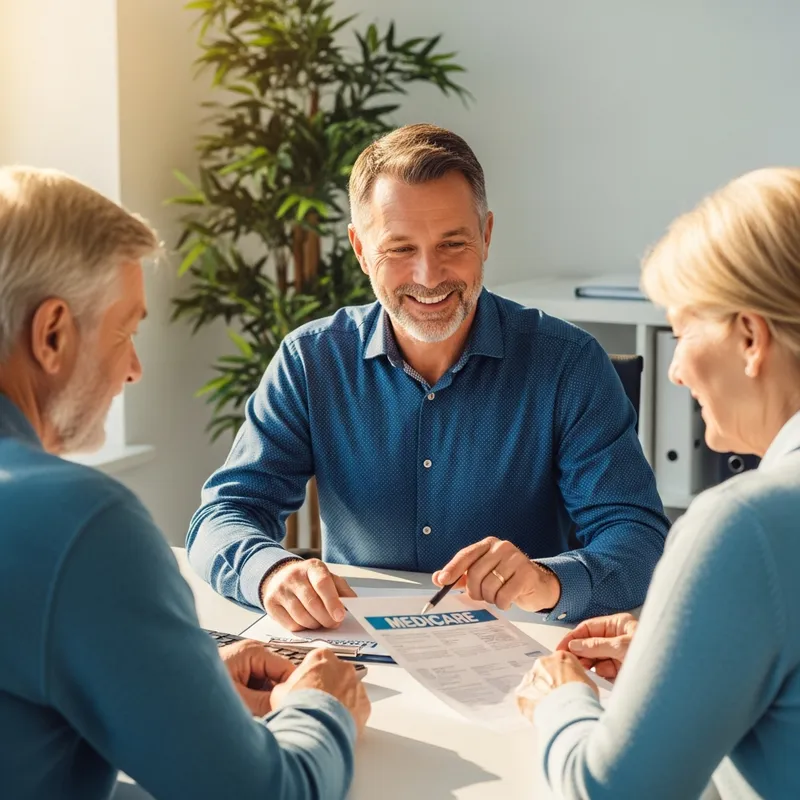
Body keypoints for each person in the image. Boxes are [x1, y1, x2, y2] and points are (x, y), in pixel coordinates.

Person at [187, 123, 669, 631]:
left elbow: (636, 538)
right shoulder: (311, 361)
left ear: (485, 236)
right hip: (359, 651)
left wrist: (546, 581)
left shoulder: (569, 364)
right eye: (399, 249)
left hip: (524, 652)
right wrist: (271, 572)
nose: (428, 275)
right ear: (359, 248)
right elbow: (224, 515)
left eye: (452, 243)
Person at [0, 166, 369, 800]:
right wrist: (320, 706)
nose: (135, 368)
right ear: (53, 333)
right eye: (128, 330)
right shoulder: (80, 522)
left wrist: (166, 688)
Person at [515, 167, 800, 799]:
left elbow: (613, 791)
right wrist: (695, 647)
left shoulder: (744, 525)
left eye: (684, 329)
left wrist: (562, 701)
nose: (674, 372)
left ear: (751, 337)